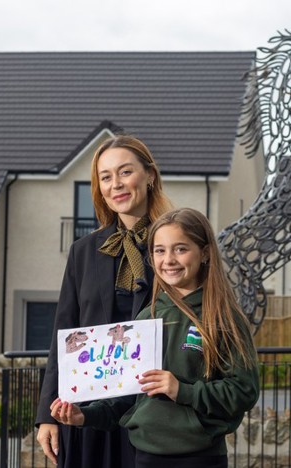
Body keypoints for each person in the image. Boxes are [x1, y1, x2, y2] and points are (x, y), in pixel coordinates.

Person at [50, 207, 260, 468]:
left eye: (180, 249)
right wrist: (85, 415)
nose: (168, 259)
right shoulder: (145, 319)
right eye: (159, 250)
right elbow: (127, 398)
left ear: (205, 253)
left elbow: (244, 391)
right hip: (145, 457)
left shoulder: (223, 317)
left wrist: (182, 391)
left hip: (201, 457)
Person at [35, 135, 173, 467]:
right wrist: (46, 416)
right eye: (106, 177)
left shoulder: (173, 248)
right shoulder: (82, 252)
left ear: (150, 175)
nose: (116, 185)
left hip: (153, 407)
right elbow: (63, 333)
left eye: (125, 172)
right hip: (88, 408)